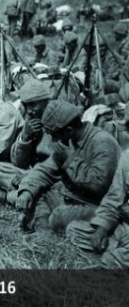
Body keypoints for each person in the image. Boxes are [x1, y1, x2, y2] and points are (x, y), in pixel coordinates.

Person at [16, 100, 120, 233]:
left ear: (69, 130)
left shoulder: (103, 142)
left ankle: (45, 229)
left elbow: (98, 186)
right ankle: (43, 233)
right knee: (38, 192)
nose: (53, 141)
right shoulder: (69, 141)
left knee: (58, 216)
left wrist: (71, 160)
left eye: (54, 135)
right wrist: (27, 190)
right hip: (74, 199)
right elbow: (45, 169)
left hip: (100, 207)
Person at [0, 79, 52, 201]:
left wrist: (29, 175)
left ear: (46, 102)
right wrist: (25, 138)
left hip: (49, 176)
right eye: (26, 105)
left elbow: (59, 164)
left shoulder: (59, 123)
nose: (29, 111)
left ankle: (13, 196)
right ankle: (24, 192)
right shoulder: (31, 121)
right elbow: (18, 163)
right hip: (30, 173)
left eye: (33, 105)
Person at [66, 150, 129, 267]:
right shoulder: (127, 157)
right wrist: (102, 228)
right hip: (124, 228)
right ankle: (112, 257)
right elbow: (114, 199)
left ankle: (111, 261)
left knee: (112, 259)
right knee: (74, 231)